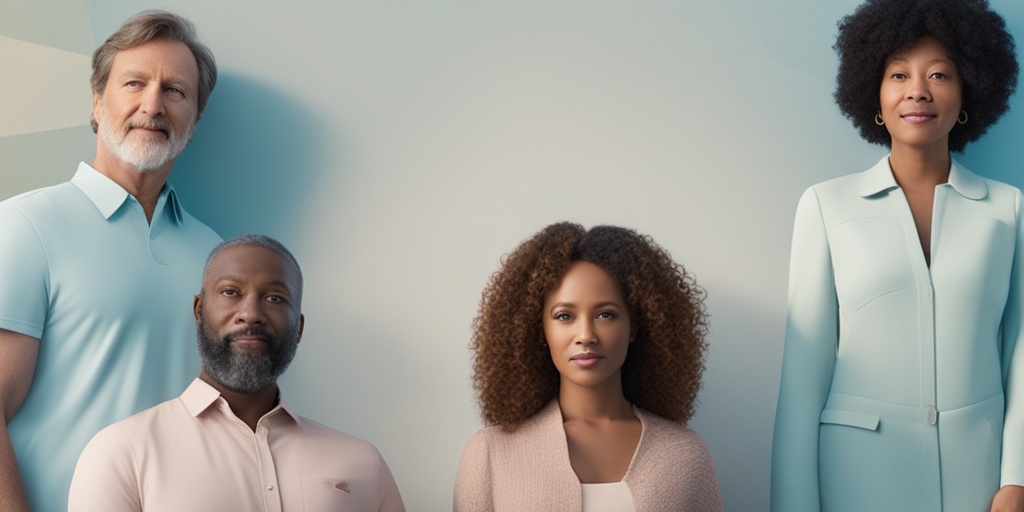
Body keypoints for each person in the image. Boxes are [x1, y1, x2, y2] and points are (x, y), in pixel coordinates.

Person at [771, 0, 1024, 510]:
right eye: (898, 74)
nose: (918, 90)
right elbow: (802, 379)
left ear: (968, 90)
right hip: (855, 478)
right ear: (875, 96)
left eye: (938, 74)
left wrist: (1016, 479)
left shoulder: (1009, 208)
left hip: (976, 479)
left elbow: (1020, 356)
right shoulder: (825, 206)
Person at [0, 10, 221, 511]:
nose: (153, 105)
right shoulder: (25, 225)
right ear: (97, 102)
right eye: (134, 83)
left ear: (195, 118)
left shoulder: (216, 255)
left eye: (175, 91)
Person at [68, 234, 406, 512]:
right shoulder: (121, 452)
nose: (250, 313)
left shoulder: (364, 463)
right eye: (231, 292)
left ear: (298, 327)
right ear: (199, 310)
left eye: (274, 298)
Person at [453, 222, 722, 511]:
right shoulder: (490, 453)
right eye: (564, 316)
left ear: (634, 326)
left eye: (606, 314)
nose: (585, 336)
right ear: (539, 328)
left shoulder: (684, 455)